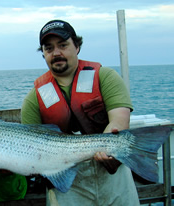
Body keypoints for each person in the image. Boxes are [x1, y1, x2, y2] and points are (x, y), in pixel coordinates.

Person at [21, 19, 140, 206]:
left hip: (112, 173)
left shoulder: (105, 77)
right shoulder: (33, 98)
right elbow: (27, 147)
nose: (56, 53)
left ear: (77, 46)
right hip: (66, 185)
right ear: (43, 54)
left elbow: (119, 121)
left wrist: (106, 149)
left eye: (63, 45)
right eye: (49, 48)